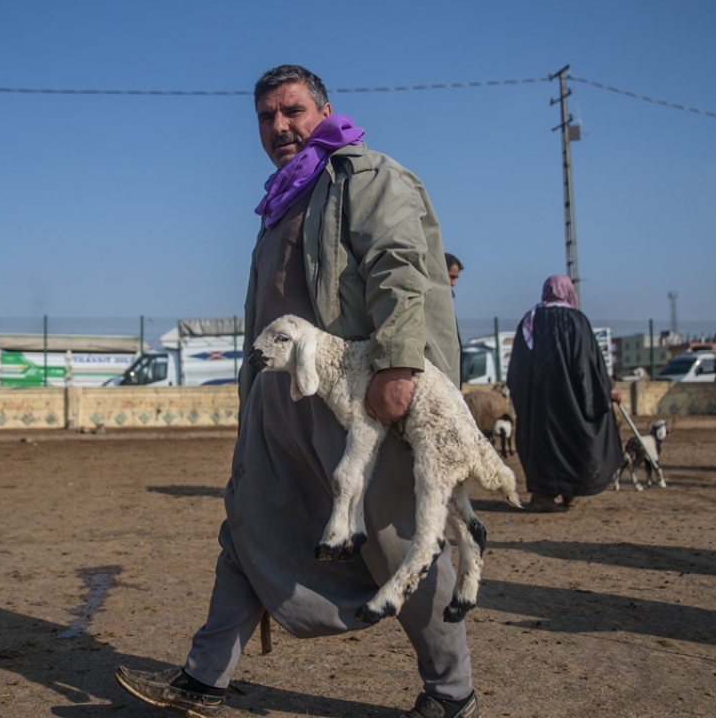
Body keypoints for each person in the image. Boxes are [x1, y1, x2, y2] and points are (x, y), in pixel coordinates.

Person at [115, 65, 478, 718]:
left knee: (402, 547)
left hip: (359, 403)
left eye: (292, 111)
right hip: (278, 408)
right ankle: (203, 682)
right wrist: (252, 398)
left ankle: (452, 694)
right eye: (266, 116)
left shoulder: (364, 177)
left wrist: (399, 369)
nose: (279, 126)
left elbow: (400, 268)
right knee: (246, 531)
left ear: (324, 110)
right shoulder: (279, 200)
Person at [506, 275, 625, 512]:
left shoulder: (529, 321)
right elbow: (588, 364)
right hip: (571, 403)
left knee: (542, 443)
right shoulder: (576, 320)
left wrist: (525, 398)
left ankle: (543, 495)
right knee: (575, 439)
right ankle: (572, 490)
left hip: (538, 405)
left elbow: (516, 368)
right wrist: (604, 389)